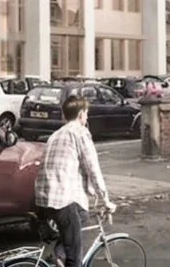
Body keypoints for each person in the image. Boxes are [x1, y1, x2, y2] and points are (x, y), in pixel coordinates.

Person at [34, 95, 116, 267]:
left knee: (82, 215)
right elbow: (93, 168)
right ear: (81, 114)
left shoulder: (56, 135)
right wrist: (106, 200)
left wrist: (90, 193)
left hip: (43, 198)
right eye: (86, 114)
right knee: (75, 258)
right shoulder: (80, 133)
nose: (87, 118)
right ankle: (61, 255)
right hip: (62, 199)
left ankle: (60, 253)